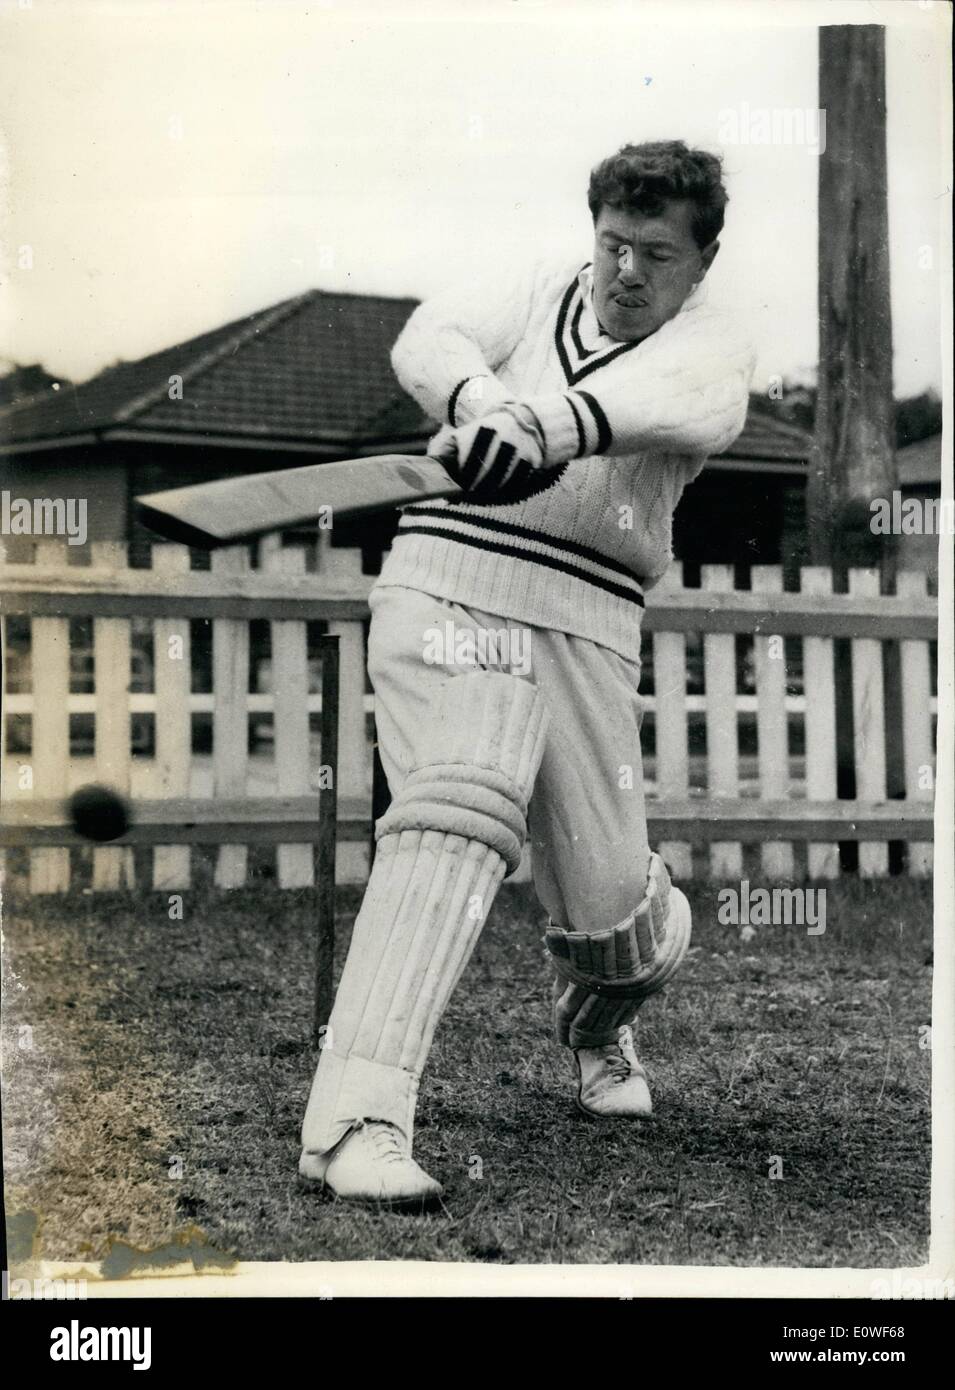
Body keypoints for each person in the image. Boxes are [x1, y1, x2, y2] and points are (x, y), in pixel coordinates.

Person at [300, 140, 755, 1208]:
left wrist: (542, 424)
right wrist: (473, 402)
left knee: (615, 928)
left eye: (654, 252)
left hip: (592, 617)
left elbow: (691, 402)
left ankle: (600, 1023)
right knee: (458, 802)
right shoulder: (531, 288)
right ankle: (356, 1122)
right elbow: (429, 338)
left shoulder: (713, 340)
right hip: (447, 583)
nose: (626, 270)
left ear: (699, 263)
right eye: (611, 244)